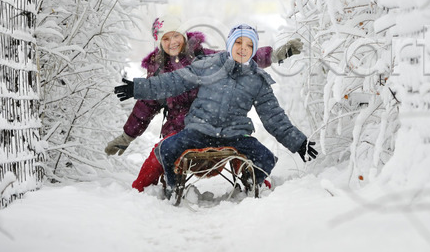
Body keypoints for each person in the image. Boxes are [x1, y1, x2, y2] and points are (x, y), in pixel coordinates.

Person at [114, 24, 317, 196]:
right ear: (230, 45)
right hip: (198, 131)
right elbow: (173, 81)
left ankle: (252, 181)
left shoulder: (257, 80)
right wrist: (137, 88)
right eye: (238, 43)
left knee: (265, 157)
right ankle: (170, 181)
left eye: (249, 45)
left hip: (235, 135)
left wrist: (298, 142)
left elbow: (274, 117)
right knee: (165, 149)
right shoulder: (208, 65)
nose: (243, 49)